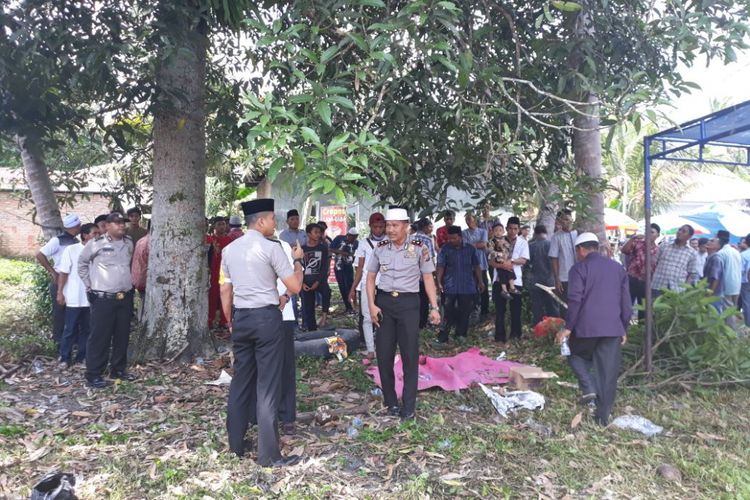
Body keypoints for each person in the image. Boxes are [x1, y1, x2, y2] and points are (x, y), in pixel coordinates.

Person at [219, 198, 304, 467]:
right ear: (261, 221)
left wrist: (230, 320)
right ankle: (268, 454)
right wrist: (299, 263)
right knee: (267, 385)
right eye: (272, 219)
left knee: (241, 380)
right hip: (267, 319)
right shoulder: (272, 248)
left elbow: (225, 289)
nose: (275, 224)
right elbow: (294, 286)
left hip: (242, 317)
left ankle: (235, 444)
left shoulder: (230, 250)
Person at [367, 207, 440, 421]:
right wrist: (371, 305)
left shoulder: (419, 248)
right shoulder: (380, 248)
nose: (389, 230)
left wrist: (434, 307)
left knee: (409, 355)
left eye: (394, 225)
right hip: (384, 304)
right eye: (388, 225)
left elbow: (428, 278)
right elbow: (370, 278)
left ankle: (409, 405)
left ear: (406, 226)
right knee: (384, 354)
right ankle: (390, 402)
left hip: (409, 304)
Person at [555, 232, 632, 426]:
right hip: (612, 328)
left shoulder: (579, 269)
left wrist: (568, 327)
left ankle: (588, 386)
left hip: (586, 327)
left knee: (573, 353)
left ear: (580, 249)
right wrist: (623, 327)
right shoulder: (618, 268)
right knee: (608, 373)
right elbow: (626, 303)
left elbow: (575, 300)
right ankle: (603, 417)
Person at [78, 212, 135, 389]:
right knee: (100, 337)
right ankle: (94, 373)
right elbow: (82, 264)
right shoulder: (96, 243)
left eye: (123, 223)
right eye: (117, 223)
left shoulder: (128, 243)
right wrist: (89, 286)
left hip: (124, 297)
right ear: (107, 225)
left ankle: (118, 369)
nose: (122, 226)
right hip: (103, 298)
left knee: (122, 335)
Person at [249, 238, 299, 435]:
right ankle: (256, 414)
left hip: (283, 314)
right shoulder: (248, 247)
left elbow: (295, 283)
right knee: (258, 366)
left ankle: (287, 416)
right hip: (256, 314)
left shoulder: (283, 246)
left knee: (285, 366)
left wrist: (286, 297)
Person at [56, 223, 100, 368]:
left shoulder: (100, 251)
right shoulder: (72, 250)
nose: (98, 236)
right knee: (70, 329)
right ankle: (65, 357)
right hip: (74, 297)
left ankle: (82, 357)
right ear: (85, 235)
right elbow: (64, 273)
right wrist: (60, 292)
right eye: (95, 233)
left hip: (91, 298)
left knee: (87, 330)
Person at [36, 213, 82, 343]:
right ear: (75, 226)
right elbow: (40, 255)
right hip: (59, 281)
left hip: (72, 282)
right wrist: (52, 272)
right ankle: (57, 341)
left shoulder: (75, 241)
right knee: (59, 313)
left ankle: (70, 340)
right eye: (79, 225)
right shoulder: (57, 240)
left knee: (72, 311)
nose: (80, 227)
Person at [434, 226, 483, 347]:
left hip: (467, 285)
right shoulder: (445, 249)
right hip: (450, 286)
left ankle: (460, 335)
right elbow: (440, 266)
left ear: (460, 237)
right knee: (447, 312)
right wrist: (438, 282)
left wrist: (481, 281)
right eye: (449, 238)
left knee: (465, 312)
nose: (451, 240)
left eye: (454, 238)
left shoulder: (470, 249)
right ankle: (443, 337)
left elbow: (476, 266)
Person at [349, 213, 387, 359]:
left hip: (386, 285)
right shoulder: (363, 244)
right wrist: (353, 288)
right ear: (370, 226)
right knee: (366, 317)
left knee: (384, 317)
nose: (378, 230)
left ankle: (383, 346)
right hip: (367, 284)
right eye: (375, 227)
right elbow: (359, 268)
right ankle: (371, 349)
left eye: (381, 227)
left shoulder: (390, 241)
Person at [490, 216, 529, 345]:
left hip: (515, 280)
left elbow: (524, 260)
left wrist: (511, 261)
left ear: (518, 230)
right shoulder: (497, 240)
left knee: (516, 310)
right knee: (500, 309)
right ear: (506, 229)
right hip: (499, 279)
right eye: (510, 228)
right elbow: (491, 261)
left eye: (515, 229)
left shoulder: (523, 242)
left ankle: (515, 335)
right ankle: (499, 336)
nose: (512, 231)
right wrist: (502, 265)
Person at [620, 223, 660, 320]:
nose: (649, 234)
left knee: (643, 309)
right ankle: (623, 329)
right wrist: (633, 238)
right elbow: (624, 250)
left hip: (646, 282)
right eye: (647, 231)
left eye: (652, 232)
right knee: (626, 306)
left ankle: (640, 331)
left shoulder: (658, 250)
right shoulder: (638, 243)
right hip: (632, 279)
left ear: (657, 235)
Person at [651, 224, 698, 295]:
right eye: (679, 230)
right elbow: (654, 263)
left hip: (676, 290)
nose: (679, 232)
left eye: (683, 231)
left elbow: (691, 274)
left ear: (689, 236)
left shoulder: (692, 253)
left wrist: (685, 290)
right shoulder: (664, 245)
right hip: (658, 285)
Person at [301, 223, 332, 330]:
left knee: (327, 292)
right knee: (308, 307)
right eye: (316, 232)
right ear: (308, 234)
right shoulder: (302, 249)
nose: (318, 235)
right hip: (306, 282)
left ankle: (324, 318)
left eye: (320, 232)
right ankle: (311, 329)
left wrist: (318, 282)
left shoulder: (323, 248)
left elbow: (324, 266)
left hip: (319, 280)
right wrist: (302, 283)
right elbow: (298, 268)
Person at [527, 225, 559, 325]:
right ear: (546, 232)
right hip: (551, 280)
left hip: (536, 282)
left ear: (535, 233)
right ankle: (555, 329)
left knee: (537, 308)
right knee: (552, 307)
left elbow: (526, 265)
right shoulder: (551, 244)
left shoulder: (530, 246)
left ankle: (538, 331)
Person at [548, 209, 578, 315]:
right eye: (562, 220)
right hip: (564, 277)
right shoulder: (556, 237)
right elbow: (554, 258)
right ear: (559, 222)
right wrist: (557, 279)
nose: (565, 222)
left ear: (572, 219)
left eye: (567, 219)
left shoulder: (579, 233)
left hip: (580, 276)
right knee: (565, 307)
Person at [463, 213, 490, 318]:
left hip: (482, 263)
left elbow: (484, 244)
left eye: (470, 219)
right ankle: (473, 311)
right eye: (466, 220)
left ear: (475, 220)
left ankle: (484, 311)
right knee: (471, 288)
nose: (468, 221)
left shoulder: (483, 231)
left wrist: (473, 245)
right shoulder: (464, 232)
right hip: (469, 265)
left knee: (484, 287)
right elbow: (465, 246)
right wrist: (477, 245)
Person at [414, 218, 437, 328]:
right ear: (424, 227)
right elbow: (430, 258)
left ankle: (415, 322)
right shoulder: (427, 240)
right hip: (424, 274)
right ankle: (422, 323)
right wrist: (434, 275)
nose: (431, 228)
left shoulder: (410, 238)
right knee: (424, 300)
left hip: (412, 275)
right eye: (429, 226)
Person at [716, 230, 742, 327]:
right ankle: (732, 329)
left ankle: (731, 331)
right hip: (737, 283)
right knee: (732, 308)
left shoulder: (721, 253)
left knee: (727, 310)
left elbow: (719, 271)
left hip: (727, 284)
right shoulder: (735, 251)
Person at [330, 228, 359, 313]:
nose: (353, 239)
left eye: (355, 237)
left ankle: (354, 306)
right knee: (342, 286)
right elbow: (330, 248)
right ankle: (348, 307)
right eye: (352, 237)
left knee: (351, 285)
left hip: (349, 266)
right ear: (348, 235)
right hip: (339, 266)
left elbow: (356, 254)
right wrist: (342, 252)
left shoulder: (356, 243)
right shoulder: (339, 238)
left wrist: (352, 255)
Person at [489, 223, 518, 299]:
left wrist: (505, 246)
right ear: (492, 232)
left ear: (503, 231)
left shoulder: (505, 240)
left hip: (506, 259)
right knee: (502, 274)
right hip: (498, 260)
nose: (498, 232)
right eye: (496, 231)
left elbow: (509, 247)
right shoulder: (492, 241)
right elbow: (491, 251)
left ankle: (512, 287)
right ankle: (504, 290)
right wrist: (497, 254)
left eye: (500, 230)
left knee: (510, 271)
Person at [131, 233, 150, 315]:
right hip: (144, 280)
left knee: (138, 306)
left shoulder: (141, 240)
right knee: (143, 308)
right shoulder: (150, 242)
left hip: (136, 279)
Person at [703, 238, 724, 306]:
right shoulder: (709, 257)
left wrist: (709, 295)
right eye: (709, 240)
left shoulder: (716, 259)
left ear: (718, 246)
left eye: (712, 241)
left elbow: (715, 278)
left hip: (713, 295)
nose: (708, 241)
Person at [740, 234, 750, 327]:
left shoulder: (743, 255)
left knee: (747, 303)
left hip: (746, 281)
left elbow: (741, 270)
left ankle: (748, 324)